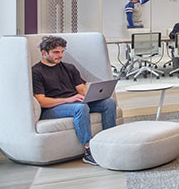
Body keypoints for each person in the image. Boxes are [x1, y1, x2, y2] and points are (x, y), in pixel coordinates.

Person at [32, 36, 117, 166]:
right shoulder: (36, 72)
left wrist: (92, 95)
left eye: (62, 51)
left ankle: (109, 142)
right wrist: (69, 99)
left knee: (109, 103)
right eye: (56, 52)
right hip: (52, 109)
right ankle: (89, 151)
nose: (60, 55)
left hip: (74, 102)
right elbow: (42, 101)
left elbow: (81, 89)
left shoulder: (69, 68)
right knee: (80, 108)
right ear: (44, 53)